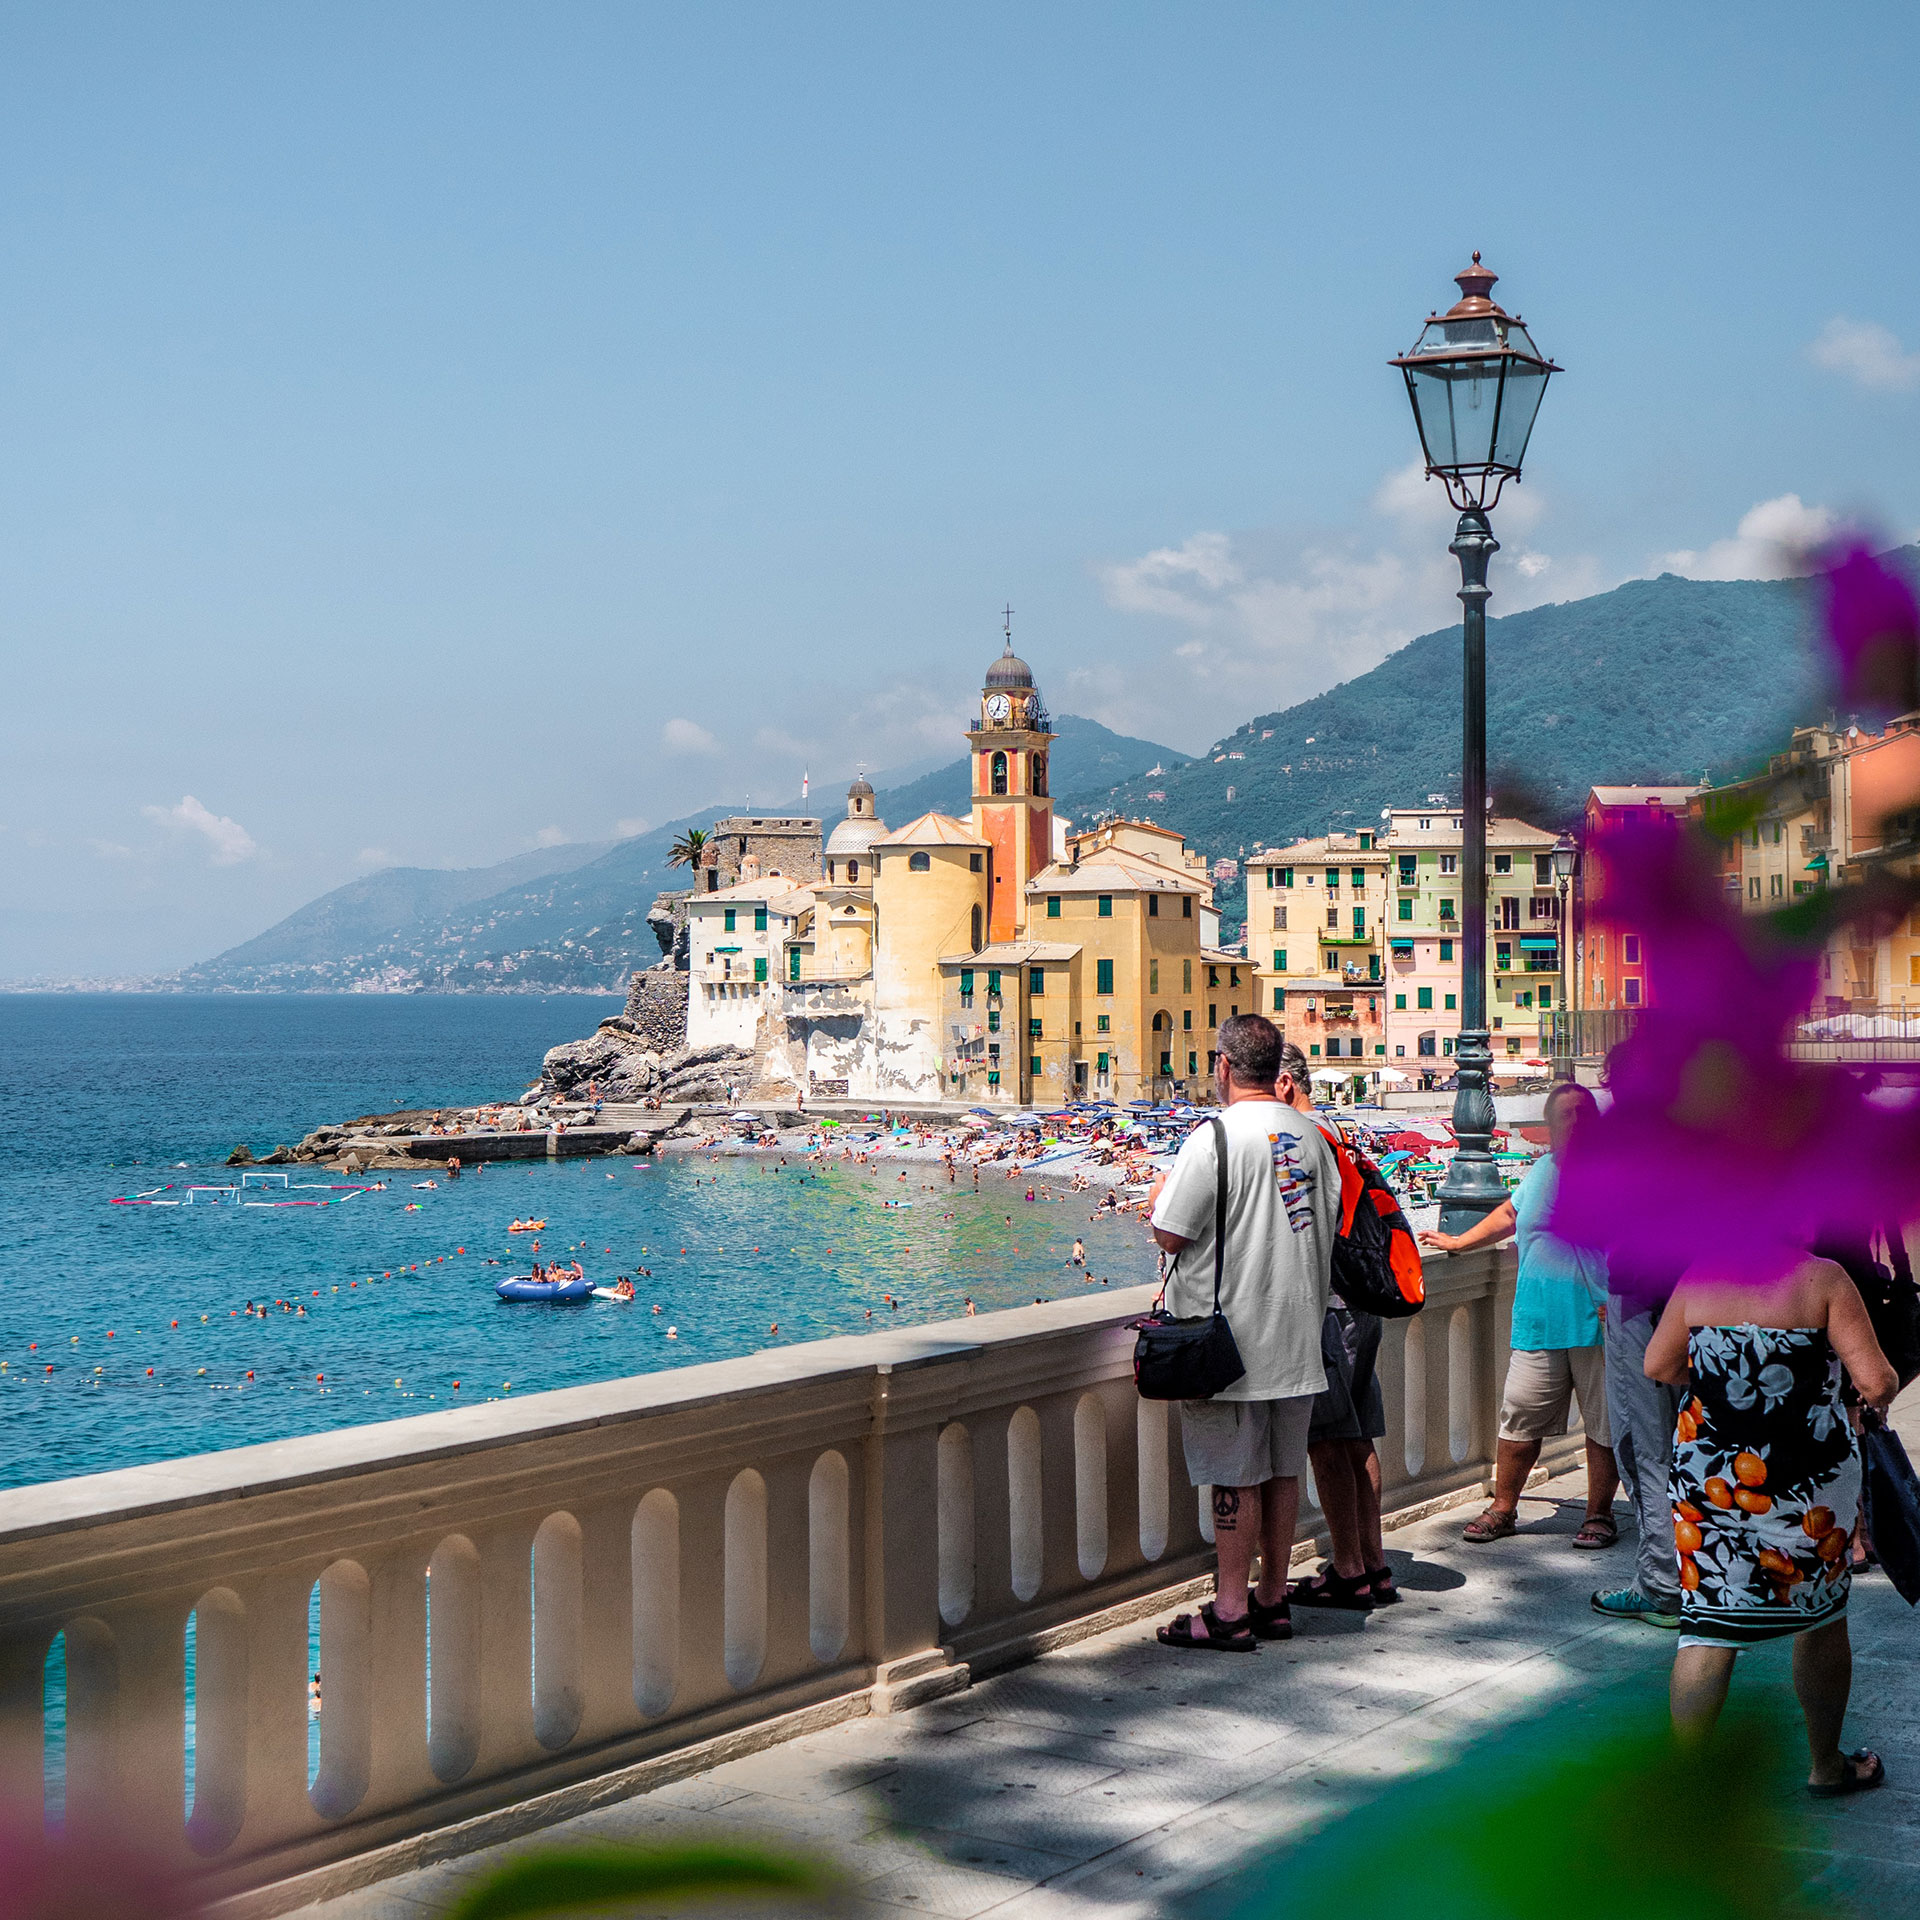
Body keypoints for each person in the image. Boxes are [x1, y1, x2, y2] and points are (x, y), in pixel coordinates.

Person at [1645, 1241, 1897, 1794]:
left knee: (1706, 1629)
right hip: (1806, 1484)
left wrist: (1729, 1386)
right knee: (1821, 1619)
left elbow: (1658, 1364)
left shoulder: (1699, 1274)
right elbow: (1877, 1382)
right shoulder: (1823, 1280)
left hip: (1709, 1483)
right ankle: (1826, 1765)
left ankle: (1686, 1785)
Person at [1148, 1014, 1341, 1652]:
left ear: (1225, 1067)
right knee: (1284, 1472)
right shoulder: (1314, 1139)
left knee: (1234, 1477)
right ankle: (1272, 1598)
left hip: (1229, 1345)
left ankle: (1230, 1608)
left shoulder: (1217, 1139)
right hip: (1300, 1337)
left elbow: (1171, 1232)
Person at [1420, 1083, 1620, 1548]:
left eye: (1583, 1114)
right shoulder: (1541, 1171)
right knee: (1519, 1420)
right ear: (1549, 1127)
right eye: (1565, 1115)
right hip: (1538, 1320)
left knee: (1605, 1426)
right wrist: (1458, 1241)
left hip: (1601, 1321)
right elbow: (1510, 1213)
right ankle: (1504, 1507)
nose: (1575, 1123)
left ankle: (1598, 1515)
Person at [1274, 1043, 1395, 1609]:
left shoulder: (1300, 1140)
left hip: (1331, 1308)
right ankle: (1374, 1564)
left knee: (1328, 1440)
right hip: (1363, 1302)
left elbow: (1298, 1230)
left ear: (1282, 1084)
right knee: (1358, 1435)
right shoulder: (1338, 1131)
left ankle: (1348, 1570)